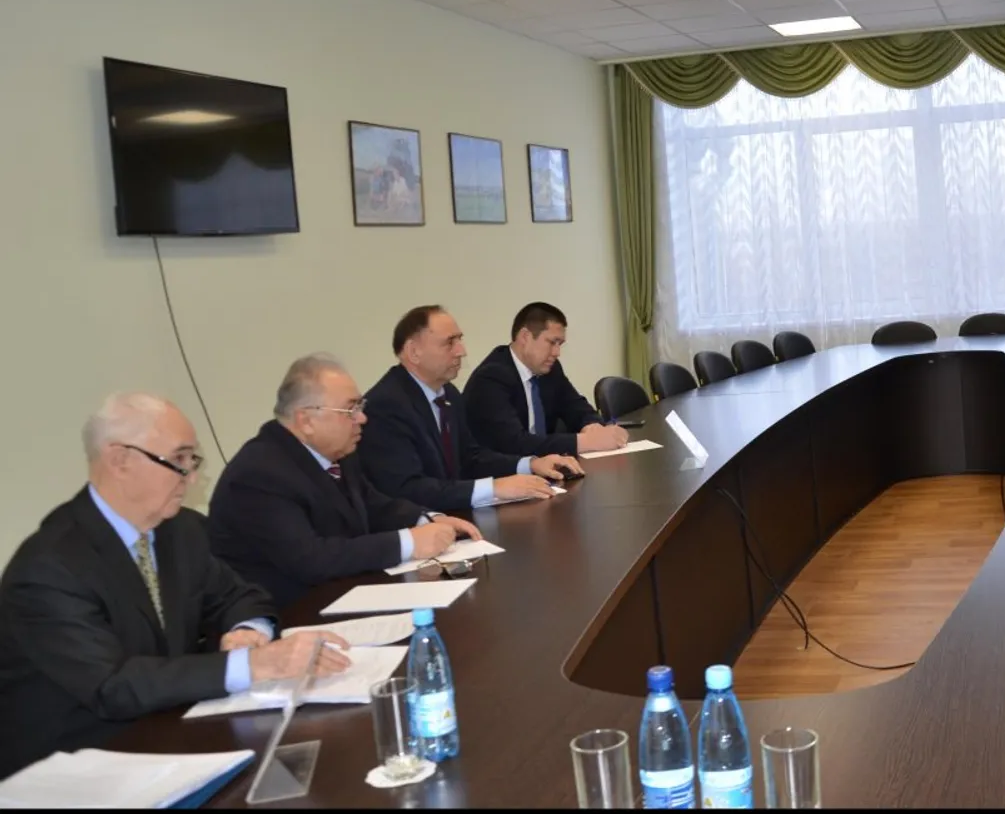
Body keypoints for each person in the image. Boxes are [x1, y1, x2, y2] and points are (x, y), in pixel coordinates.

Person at [0, 393, 350, 778]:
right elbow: (113, 685)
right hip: (76, 766)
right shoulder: (49, 567)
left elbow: (240, 595)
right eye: (179, 459)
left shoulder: (181, 530)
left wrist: (247, 631)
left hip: (169, 731)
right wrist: (253, 665)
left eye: (192, 460)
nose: (192, 477)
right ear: (120, 460)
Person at [209, 354, 484, 609]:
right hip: (287, 616)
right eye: (350, 409)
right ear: (306, 421)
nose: (362, 418)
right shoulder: (260, 474)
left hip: (340, 595)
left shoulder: (339, 453)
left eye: (360, 406)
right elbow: (310, 559)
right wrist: (409, 543)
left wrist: (428, 520)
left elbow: (373, 505)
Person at [362, 306, 582, 513]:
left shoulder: (448, 393)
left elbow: (470, 458)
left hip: (454, 514)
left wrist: (531, 464)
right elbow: (407, 489)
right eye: (450, 343)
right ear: (414, 352)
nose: (462, 351)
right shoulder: (386, 405)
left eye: (460, 340)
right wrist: (494, 488)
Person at [463, 302, 628, 457]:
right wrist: (585, 442)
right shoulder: (491, 378)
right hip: (504, 472)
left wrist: (592, 426)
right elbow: (514, 443)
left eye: (560, 344)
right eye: (552, 342)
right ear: (525, 337)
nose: (557, 353)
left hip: (544, 466)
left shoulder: (549, 369)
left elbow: (576, 406)